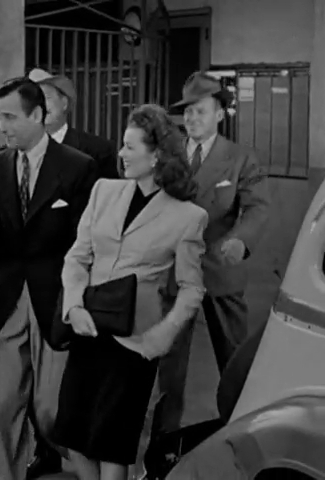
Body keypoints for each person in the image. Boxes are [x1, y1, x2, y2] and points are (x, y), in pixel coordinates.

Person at [52, 104, 208, 480]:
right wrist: (73, 307)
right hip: (89, 328)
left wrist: (163, 334)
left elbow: (192, 289)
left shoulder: (189, 217)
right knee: (72, 436)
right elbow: (77, 257)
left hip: (136, 341)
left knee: (113, 444)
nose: (120, 153)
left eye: (129, 146)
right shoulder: (104, 191)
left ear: (156, 156)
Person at [145, 72, 271, 478]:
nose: (193, 119)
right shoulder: (170, 156)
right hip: (176, 274)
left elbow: (257, 207)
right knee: (170, 369)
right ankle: (163, 449)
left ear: (219, 113)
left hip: (220, 272)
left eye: (200, 111)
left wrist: (240, 240)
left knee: (235, 362)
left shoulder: (240, 157)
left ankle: (245, 440)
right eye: (187, 113)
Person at [0, 76, 98, 480]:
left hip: (56, 302)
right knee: (2, 406)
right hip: (10, 301)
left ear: (37, 115)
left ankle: (94, 471)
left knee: (50, 411)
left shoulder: (78, 167)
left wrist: (79, 301)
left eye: (10, 117)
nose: (2, 126)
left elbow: (87, 244)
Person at [29, 67, 119, 180]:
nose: (40, 106)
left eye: (46, 98)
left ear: (64, 103)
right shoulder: (16, 151)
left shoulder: (98, 150)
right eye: (33, 101)